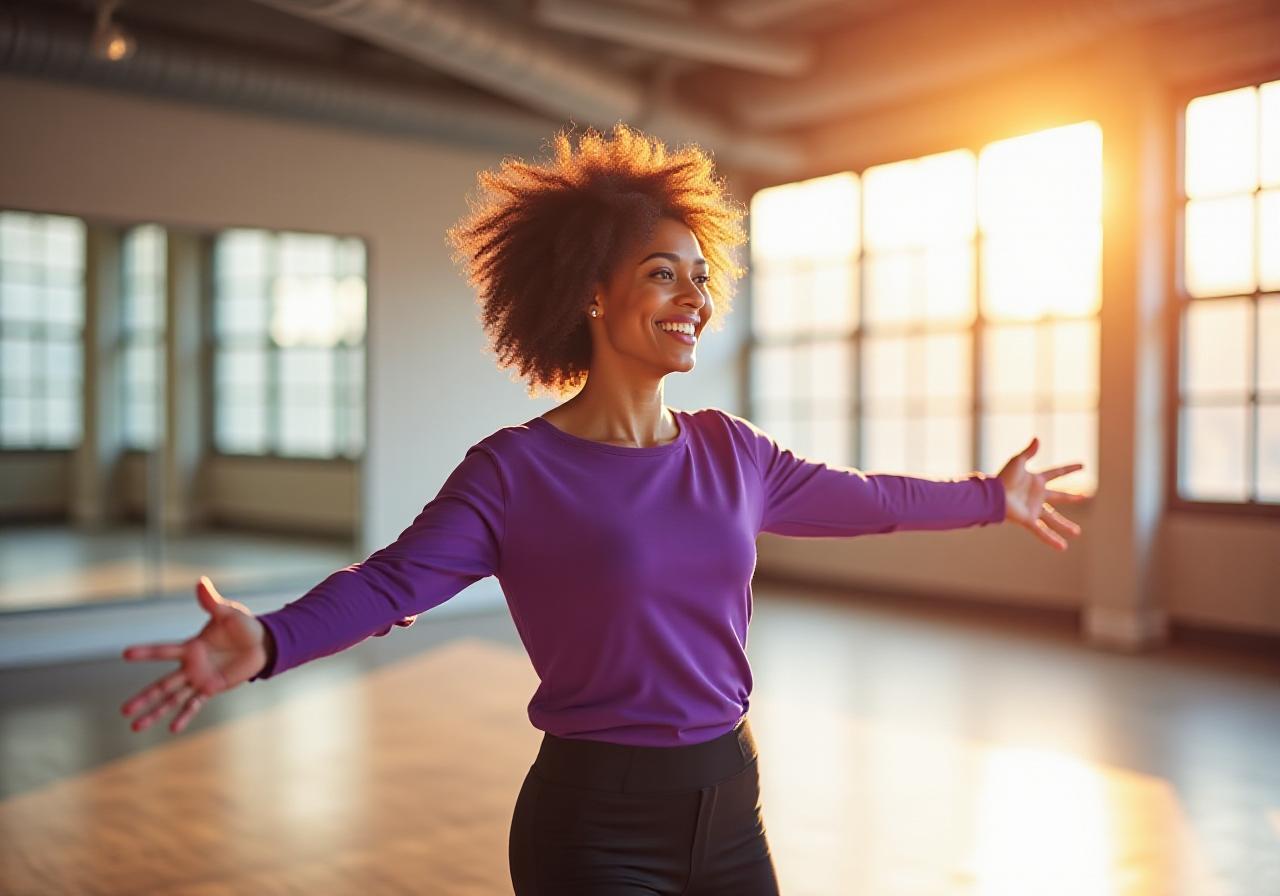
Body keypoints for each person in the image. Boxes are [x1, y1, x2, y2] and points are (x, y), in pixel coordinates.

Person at [120, 123, 1085, 895]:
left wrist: (992, 497)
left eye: (700, 276)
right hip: (592, 827)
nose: (692, 298)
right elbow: (392, 585)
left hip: (729, 801)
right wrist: (272, 640)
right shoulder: (514, 473)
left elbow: (868, 501)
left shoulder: (731, 452)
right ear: (591, 294)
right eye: (663, 272)